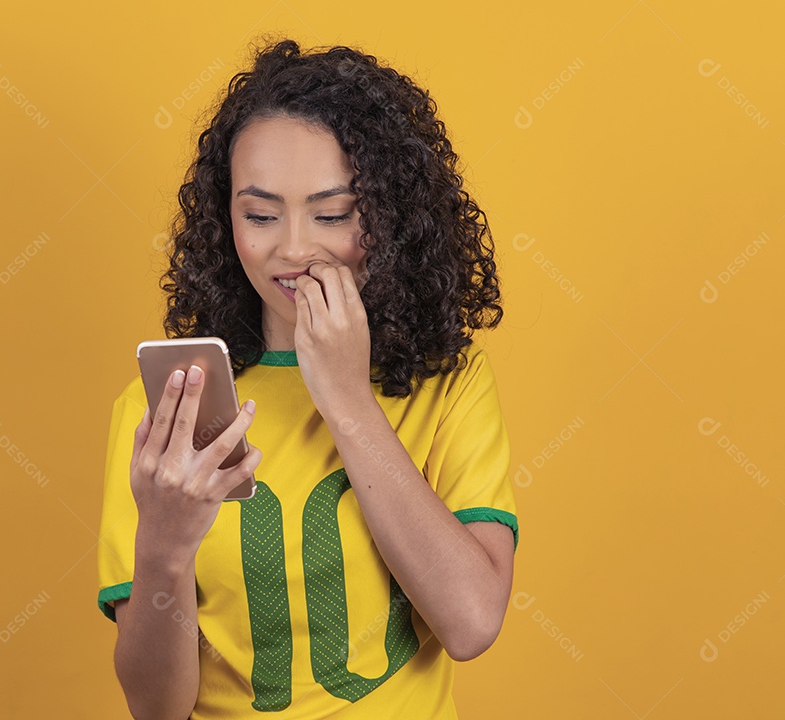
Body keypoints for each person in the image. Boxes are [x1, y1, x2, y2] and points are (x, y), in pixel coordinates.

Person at [97, 37, 519, 720]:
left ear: (391, 216)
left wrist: (348, 399)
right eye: (260, 215)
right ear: (222, 217)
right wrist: (163, 548)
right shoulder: (172, 407)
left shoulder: (449, 382)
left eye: (332, 214)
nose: (293, 249)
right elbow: (157, 709)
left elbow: (471, 623)